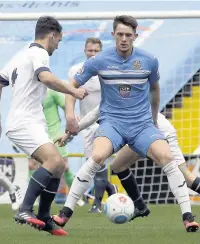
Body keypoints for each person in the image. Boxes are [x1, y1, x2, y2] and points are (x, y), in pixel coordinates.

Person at [52, 15, 198, 232]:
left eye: (128, 35)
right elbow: (71, 85)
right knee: (98, 157)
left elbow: (155, 89)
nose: (123, 39)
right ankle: (65, 213)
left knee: (167, 157)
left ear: (135, 37)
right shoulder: (99, 61)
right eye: (119, 34)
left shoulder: (149, 60)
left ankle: (188, 216)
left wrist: (154, 117)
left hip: (142, 125)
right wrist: (71, 116)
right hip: (113, 124)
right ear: (113, 35)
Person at [0, 16, 87, 236]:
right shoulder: (39, 53)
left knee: (58, 166)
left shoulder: (21, 54)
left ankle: (45, 217)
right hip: (24, 122)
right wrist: (73, 91)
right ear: (52, 35)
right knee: (54, 161)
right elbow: (46, 78)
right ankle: (26, 209)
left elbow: (0, 80)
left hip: (28, 122)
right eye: (59, 39)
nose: (58, 45)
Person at [56, 105, 200, 231]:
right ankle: (140, 207)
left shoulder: (127, 85)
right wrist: (70, 132)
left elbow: (96, 113)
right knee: (119, 165)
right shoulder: (116, 89)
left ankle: (186, 216)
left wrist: (70, 133)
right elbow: (96, 112)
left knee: (187, 178)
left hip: (160, 132)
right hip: (140, 132)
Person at [67, 37, 117, 213]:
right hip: (85, 124)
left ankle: (97, 202)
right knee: (92, 163)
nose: (93, 54)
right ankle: (110, 189)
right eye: (90, 50)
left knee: (99, 162)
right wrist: (71, 114)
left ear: (101, 52)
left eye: (96, 51)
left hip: (104, 120)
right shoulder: (76, 71)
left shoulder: (106, 71)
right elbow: (70, 93)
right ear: (85, 50)